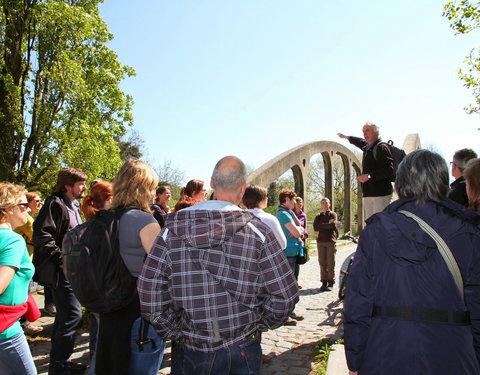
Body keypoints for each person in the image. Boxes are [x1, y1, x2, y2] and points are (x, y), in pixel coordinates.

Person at [138, 156, 299, 375]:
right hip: (242, 345)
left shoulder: (171, 231)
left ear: (212, 183)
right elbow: (285, 295)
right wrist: (259, 324)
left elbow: (149, 291)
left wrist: (176, 331)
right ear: (243, 188)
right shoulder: (258, 232)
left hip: (191, 346)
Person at [344, 149, 480, 375]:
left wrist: (355, 359)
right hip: (452, 354)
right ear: (442, 182)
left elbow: (358, 300)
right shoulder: (468, 232)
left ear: (402, 182)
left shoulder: (377, 230)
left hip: (385, 353)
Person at [94, 159, 161, 375]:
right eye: (151, 188)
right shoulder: (144, 221)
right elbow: (165, 268)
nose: (153, 194)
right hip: (138, 313)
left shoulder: (104, 218)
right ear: (142, 189)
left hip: (109, 309)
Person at [32, 167, 88, 374]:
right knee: (73, 316)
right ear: (67, 186)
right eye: (80, 184)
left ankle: (60, 361)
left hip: (72, 271)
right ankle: (58, 365)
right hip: (61, 271)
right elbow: (41, 236)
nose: (84, 187)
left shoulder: (74, 205)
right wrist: (61, 259)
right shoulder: (54, 204)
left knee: (66, 316)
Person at [0, 183, 37, 375]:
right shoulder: (12, 239)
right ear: (8, 209)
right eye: (23, 205)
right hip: (5, 329)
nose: (28, 209)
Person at [338, 122, 394, 220]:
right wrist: (347, 137)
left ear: (376, 132)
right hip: (369, 193)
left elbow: (389, 170)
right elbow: (359, 141)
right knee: (371, 225)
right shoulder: (368, 147)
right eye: (363, 131)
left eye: (367, 131)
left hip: (381, 194)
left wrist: (369, 176)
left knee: (381, 224)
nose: (364, 134)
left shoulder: (381, 148)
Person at [15, 191, 45, 335]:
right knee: (22, 294)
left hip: (23, 259)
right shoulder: (27, 220)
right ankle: (24, 324)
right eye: (36, 201)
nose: (40, 204)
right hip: (22, 261)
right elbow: (38, 237)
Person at [276, 188, 305, 324]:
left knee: (292, 284)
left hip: (293, 252)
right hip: (287, 254)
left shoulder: (289, 213)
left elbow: (299, 229)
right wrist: (298, 230)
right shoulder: (284, 214)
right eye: (293, 199)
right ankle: (285, 314)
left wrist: (298, 230)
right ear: (286, 200)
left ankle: (290, 311)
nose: (294, 202)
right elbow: (298, 232)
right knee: (288, 285)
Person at [242, 184, 286, 249]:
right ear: (260, 199)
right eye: (266, 196)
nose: (268, 198)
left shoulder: (236, 218)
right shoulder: (270, 219)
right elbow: (282, 245)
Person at [313, 198, 337, 292]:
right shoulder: (318, 216)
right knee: (322, 262)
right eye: (323, 203)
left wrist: (321, 225)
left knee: (330, 262)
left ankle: (331, 281)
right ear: (321, 205)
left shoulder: (333, 214)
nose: (325, 204)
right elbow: (315, 227)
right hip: (321, 241)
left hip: (330, 241)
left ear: (329, 204)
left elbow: (333, 226)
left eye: (326, 202)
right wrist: (326, 224)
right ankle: (324, 281)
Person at [293, 196, 308, 283]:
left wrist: (304, 235)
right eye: (298, 202)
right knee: (292, 262)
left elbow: (304, 227)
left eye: (301, 202)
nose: (300, 204)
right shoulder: (291, 213)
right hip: (293, 240)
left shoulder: (303, 215)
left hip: (300, 241)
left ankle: (296, 282)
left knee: (298, 262)